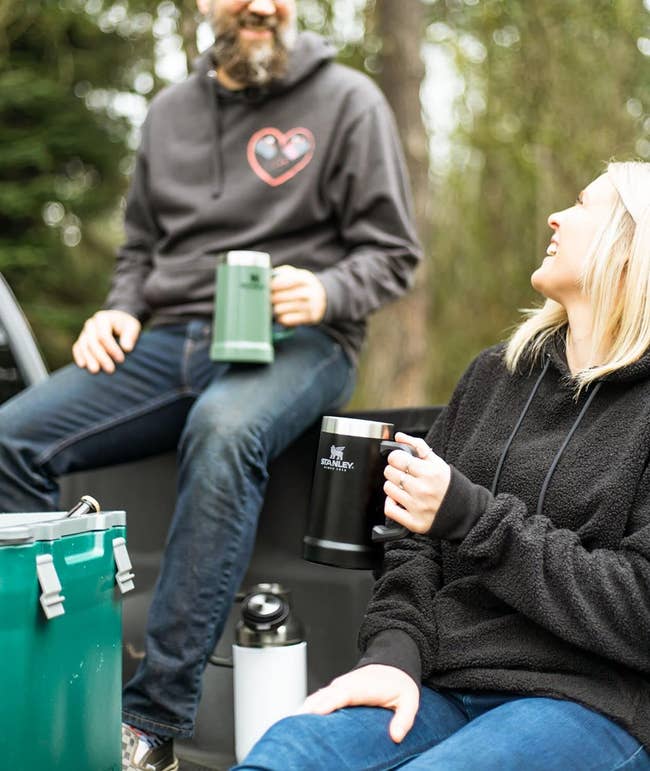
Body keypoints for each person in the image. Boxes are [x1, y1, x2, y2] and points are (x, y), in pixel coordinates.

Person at [0, 1, 421, 770]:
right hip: (169, 342)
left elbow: (392, 253)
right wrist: (120, 309)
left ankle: (148, 723)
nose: (262, 4)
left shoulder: (349, 101)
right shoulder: (168, 113)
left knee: (224, 429)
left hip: (303, 343)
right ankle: (41, 679)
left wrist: (326, 291)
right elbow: (139, 249)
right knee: (11, 434)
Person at [233, 161, 650, 771]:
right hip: (439, 678)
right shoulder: (495, 375)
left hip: (589, 701)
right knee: (283, 753)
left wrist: (474, 518)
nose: (556, 215)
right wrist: (391, 654)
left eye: (584, 205)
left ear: (628, 249)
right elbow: (410, 540)